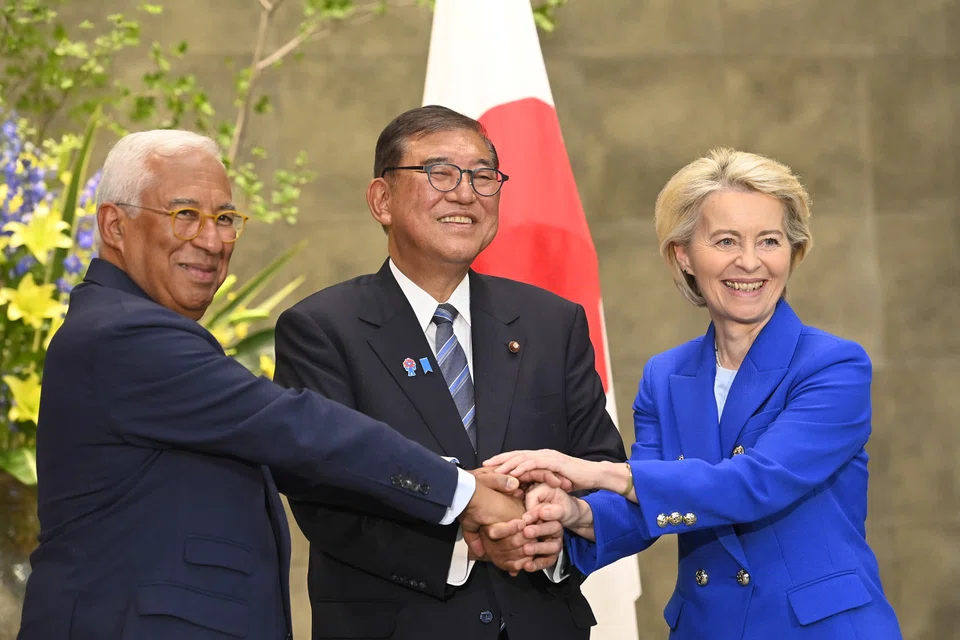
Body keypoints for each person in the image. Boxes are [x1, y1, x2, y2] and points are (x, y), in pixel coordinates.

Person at [17, 129, 527, 640]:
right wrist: (467, 493)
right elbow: (298, 426)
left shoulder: (131, 329)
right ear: (114, 225)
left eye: (224, 219)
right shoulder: (121, 334)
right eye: (185, 215)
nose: (213, 241)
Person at [486, 148, 903, 639]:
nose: (749, 262)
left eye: (769, 241)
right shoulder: (665, 375)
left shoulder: (834, 365)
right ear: (683, 254)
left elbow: (754, 484)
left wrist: (600, 473)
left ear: (793, 251)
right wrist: (576, 511)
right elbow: (648, 503)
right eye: (726, 240)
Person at [272, 105, 626, 640]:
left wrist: (556, 534)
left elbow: (603, 467)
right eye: (440, 173)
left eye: (484, 177)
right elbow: (324, 493)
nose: (465, 194)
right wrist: (467, 542)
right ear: (382, 200)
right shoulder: (322, 329)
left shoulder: (552, 322)